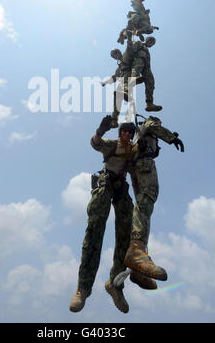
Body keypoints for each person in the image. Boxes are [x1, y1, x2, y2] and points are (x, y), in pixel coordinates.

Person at [69, 116, 155, 314]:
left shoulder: (133, 149)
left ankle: (115, 285)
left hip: (121, 189)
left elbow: (144, 160)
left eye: (130, 133)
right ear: (120, 132)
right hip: (106, 183)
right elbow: (96, 144)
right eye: (125, 131)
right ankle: (83, 287)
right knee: (94, 230)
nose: (127, 135)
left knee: (127, 235)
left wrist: (147, 146)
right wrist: (100, 131)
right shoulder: (113, 144)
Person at [124, 116, 184, 280]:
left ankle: (138, 268)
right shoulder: (150, 123)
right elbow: (153, 127)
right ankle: (136, 250)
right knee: (149, 197)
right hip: (144, 164)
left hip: (137, 167)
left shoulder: (139, 135)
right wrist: (172, 138)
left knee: (142, 208)